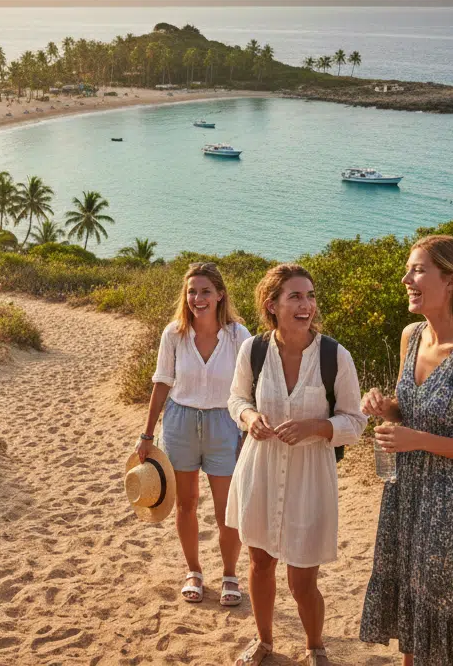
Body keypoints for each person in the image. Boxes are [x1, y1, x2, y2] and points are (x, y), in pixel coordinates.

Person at [358, 234, 453, 666]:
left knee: (443, 616)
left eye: (418, 270)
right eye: (409, 269)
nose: (406, 278)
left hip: (451, 506)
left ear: (452, 281)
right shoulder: (412, 335)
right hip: (405, 495)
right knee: (413, 613)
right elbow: (412, 412)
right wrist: (386, 407)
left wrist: (418, 440)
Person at [225, 264, 366, 666]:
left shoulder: (334, 356)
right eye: (296, 297)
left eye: (310, 296)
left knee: (302, 579)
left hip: (310, 477)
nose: (307, 305)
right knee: (259, 563)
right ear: (272, 305)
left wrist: (317, 426)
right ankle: (265, 641)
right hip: (261, 469)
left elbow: (355, 422)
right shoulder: (252, 350)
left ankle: (315, 645)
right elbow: (236, 398)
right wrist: (249, 418)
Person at [136, 262, 252, 606]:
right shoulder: (174, 334)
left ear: (219, 295)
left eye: (205, 291)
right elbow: (161, 383)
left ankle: (230, 574)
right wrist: (146, 434)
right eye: (191, 291)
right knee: (185, 504)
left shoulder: (238, 336)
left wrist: (248, 430)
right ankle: (194, 571)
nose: (197, 298)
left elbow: (250, 388)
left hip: (224, 424)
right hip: (179, 423)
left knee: (226, 509)